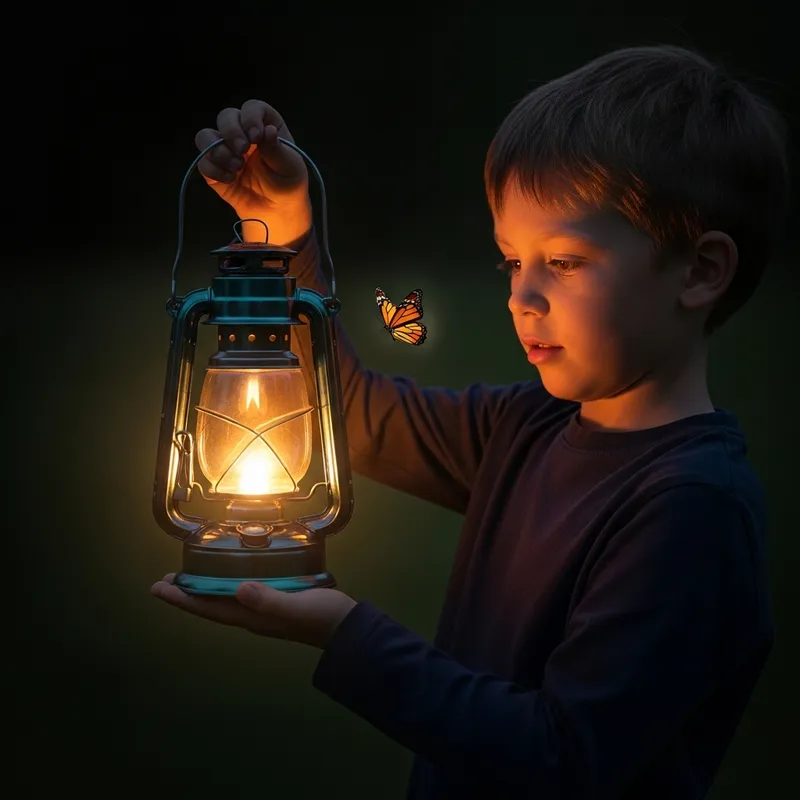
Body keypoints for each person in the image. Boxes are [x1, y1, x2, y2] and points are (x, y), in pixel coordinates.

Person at [151, 44, 789, 799]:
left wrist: (348, 635)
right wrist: (284, 229)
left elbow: (562, 759)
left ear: (701, 270)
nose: (522, 297)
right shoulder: (527, 426)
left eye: (565, 262)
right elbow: (349, 418)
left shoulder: (693, 510)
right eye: (511, 261)